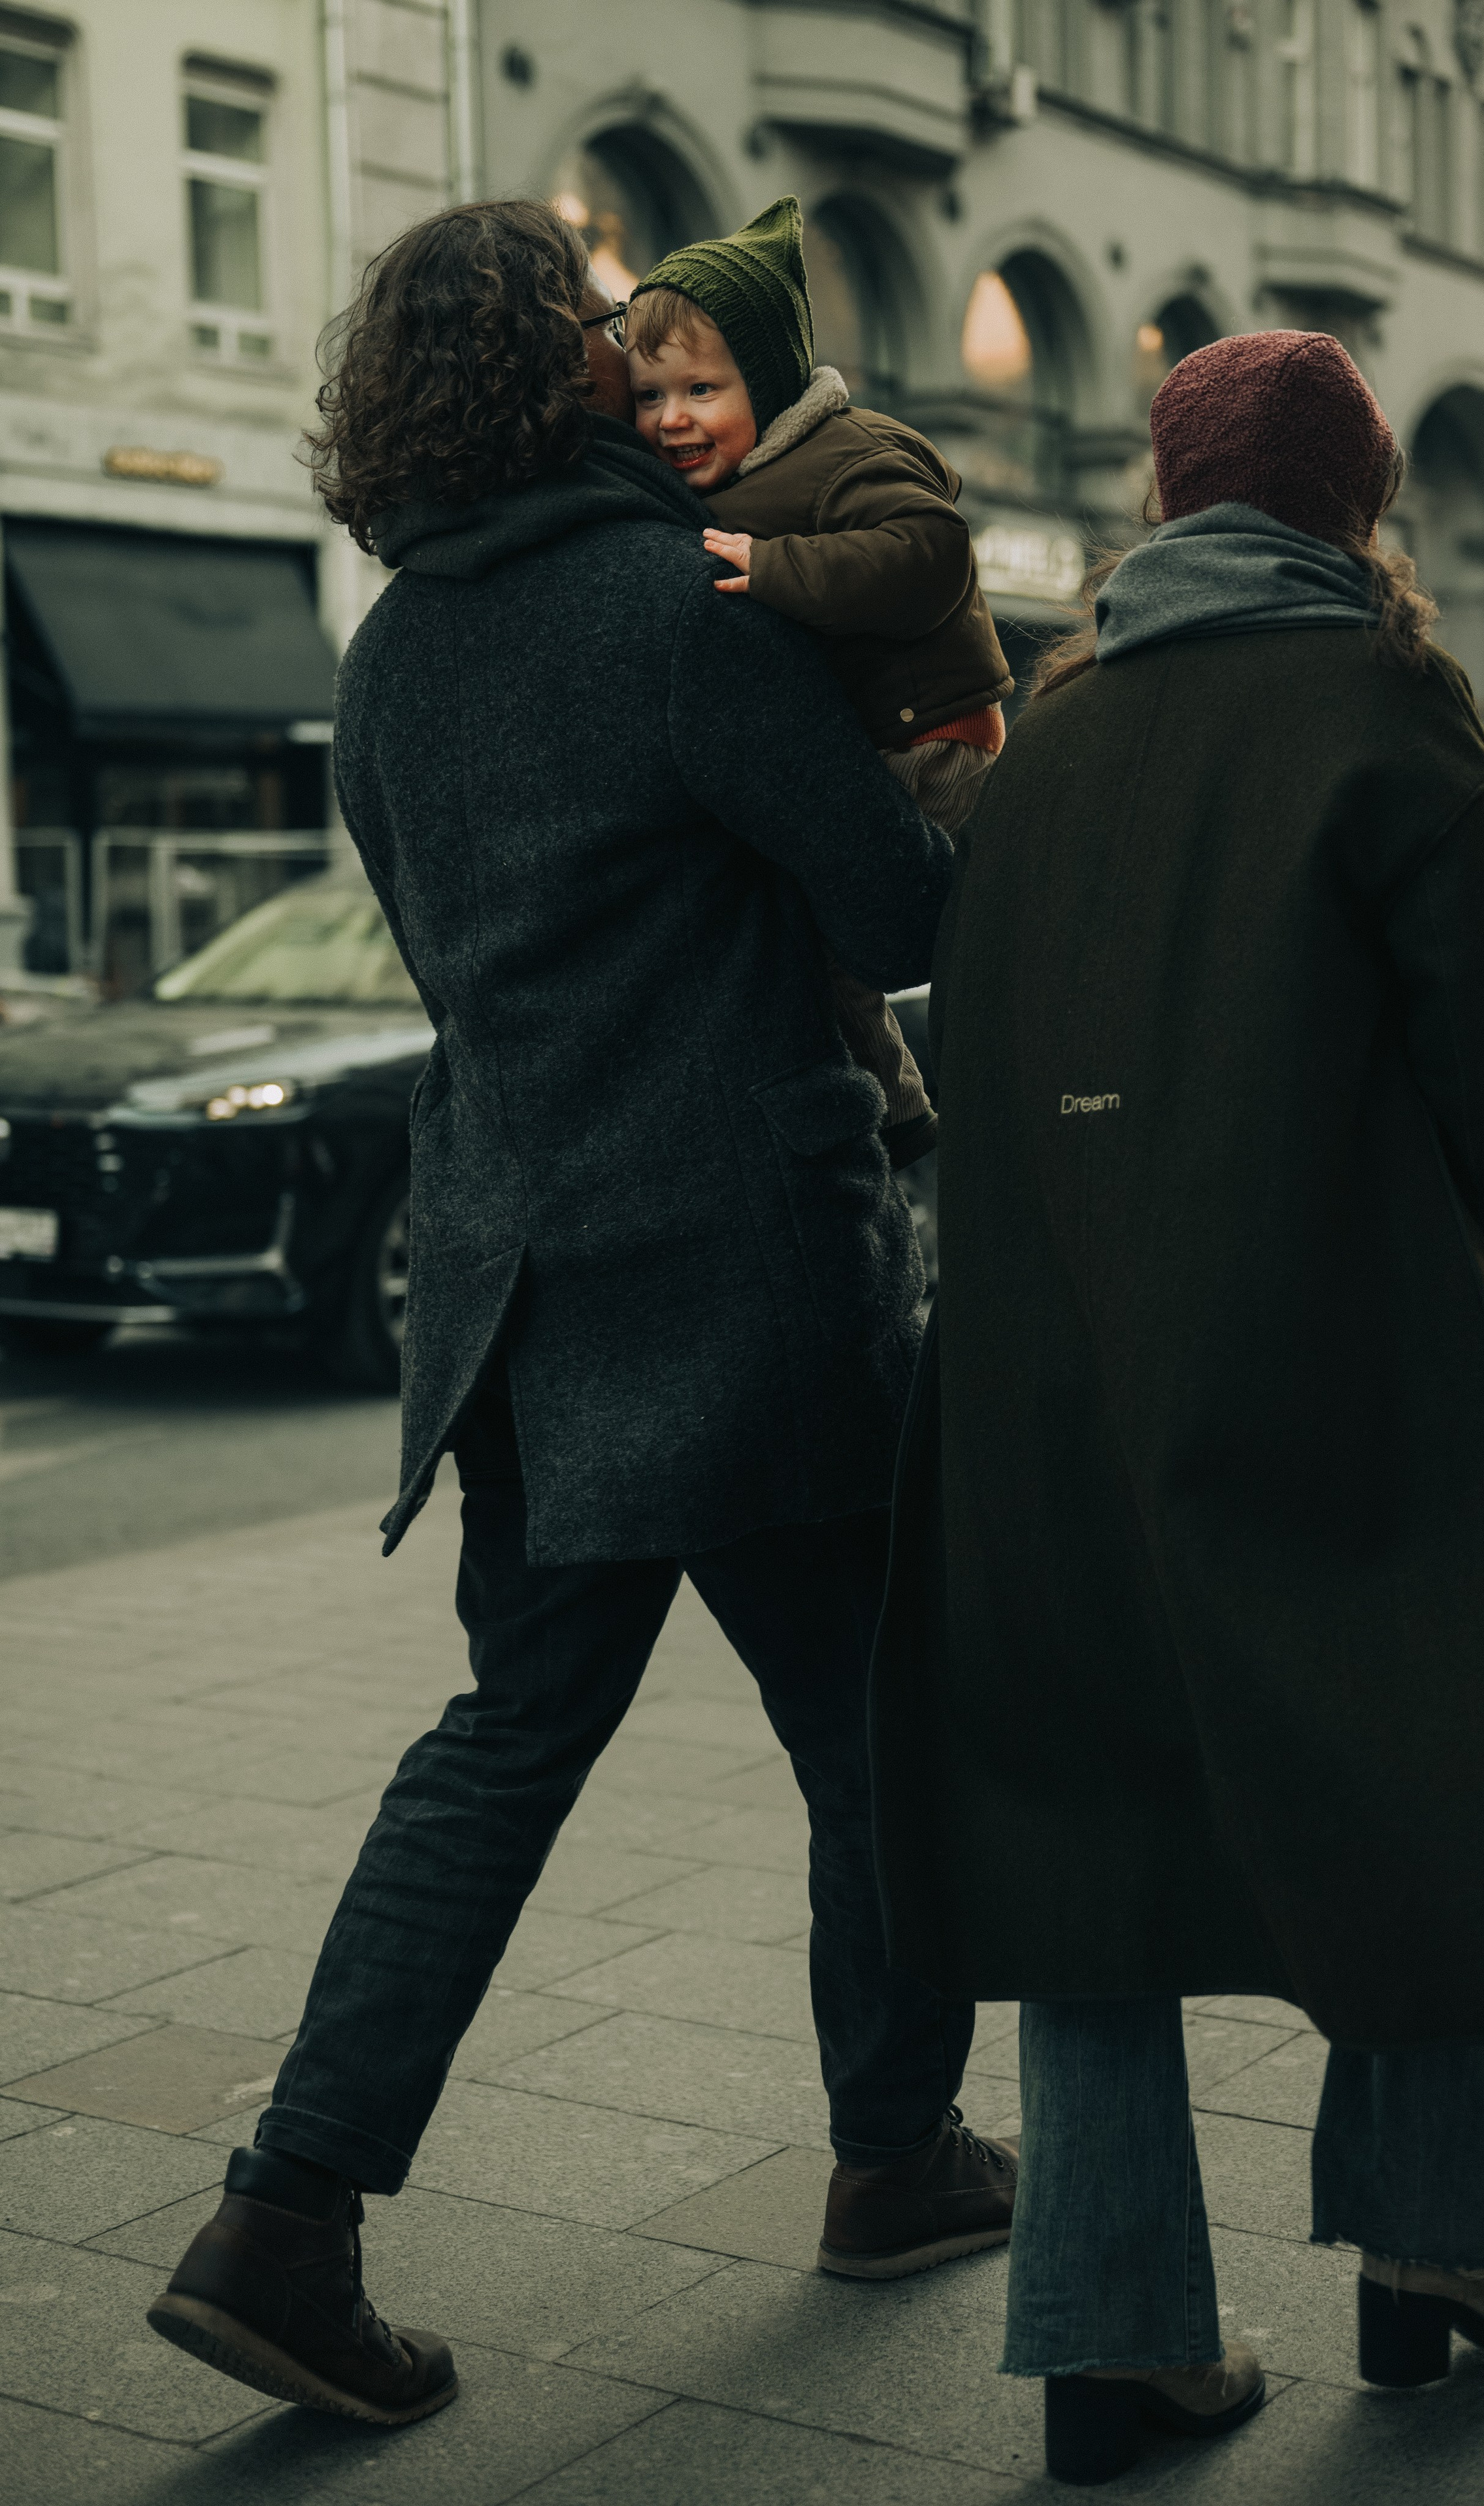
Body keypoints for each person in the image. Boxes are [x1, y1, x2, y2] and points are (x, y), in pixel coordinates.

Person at [142, 198, 1016, 2428]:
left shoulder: (385, 663)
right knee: (881, 1726)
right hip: (748, 1286)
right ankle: (897, 2153)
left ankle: (283, 2212)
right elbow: (899, 905)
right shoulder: (675, 608)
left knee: (507, 1741)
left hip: (517, 1282)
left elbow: (456, 966)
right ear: (573, 378)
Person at [868, 329, 1484, 2485]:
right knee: (1424, 1764)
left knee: (1083, 1833)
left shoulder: (1051, 732)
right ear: (1353, 501)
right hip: (1335, 1344)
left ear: (1162, 499)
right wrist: (1446, 1250)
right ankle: (1437, 2253)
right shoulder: (1381, 698)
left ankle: (1114, 2336)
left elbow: (984, 1053)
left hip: (1044, 1380)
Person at [623, 195, 1012, 1171]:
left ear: (770, 378)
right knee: (824, 949)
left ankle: (907, 1113)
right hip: (891, 727)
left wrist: (779, 569)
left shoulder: (837, 457)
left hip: (931, 735)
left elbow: (931, 549)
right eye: (648, 398)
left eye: (701, 391)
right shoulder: (742, 477)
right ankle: (905, 1112)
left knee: (828, 938)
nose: (672, 420)